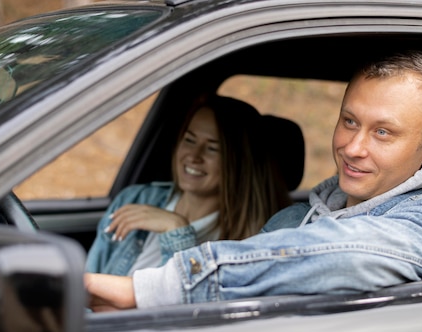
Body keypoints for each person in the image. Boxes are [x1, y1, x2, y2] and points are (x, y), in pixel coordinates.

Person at [84, 48, 422, 312]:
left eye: (383, 133)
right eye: (349, 121)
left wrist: (149, 290)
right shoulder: (290, 220)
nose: (353, 147)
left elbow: (348, 255)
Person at [85, 94, 292, 276]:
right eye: (189, 140)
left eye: (212, 148)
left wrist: (176, 231)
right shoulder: (135, 199)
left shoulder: (252, 242)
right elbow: (88, 286)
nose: (193, 156)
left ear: (240, 163)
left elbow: (182, 311)